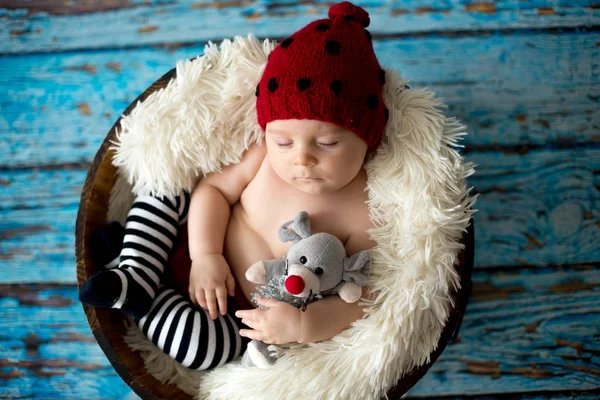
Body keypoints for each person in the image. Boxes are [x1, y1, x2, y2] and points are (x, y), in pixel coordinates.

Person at [79, 1, 388, 370]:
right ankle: (139, 264)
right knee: (167, 189)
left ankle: (143, 294)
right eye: (284, 141)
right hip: (193, 246)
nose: (301, 158)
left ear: (367, 138)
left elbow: (359, 299)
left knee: (202, 350)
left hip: (242, 315)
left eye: (327, 143)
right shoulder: (262, 157)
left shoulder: (364, 208)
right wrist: (205, 256)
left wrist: (303, 324)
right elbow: (212, 192)